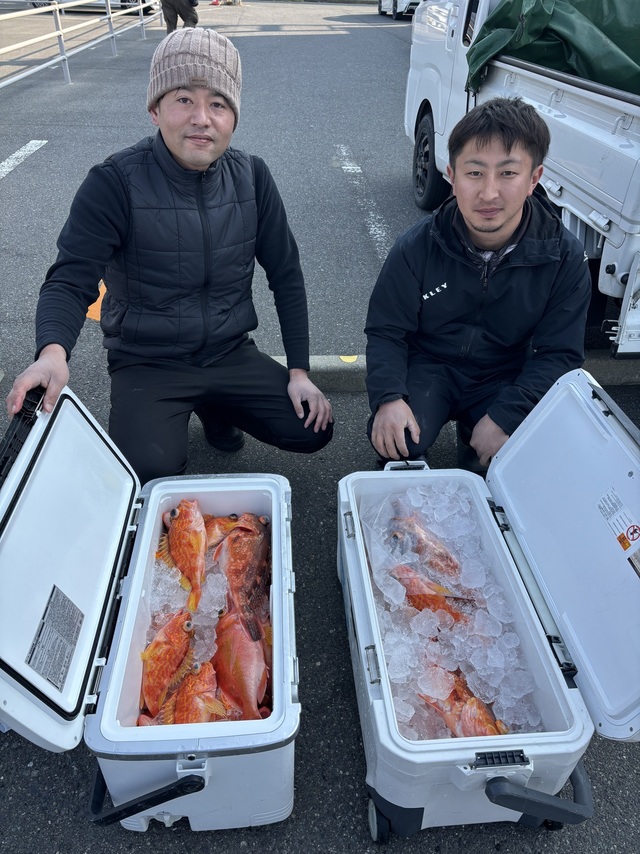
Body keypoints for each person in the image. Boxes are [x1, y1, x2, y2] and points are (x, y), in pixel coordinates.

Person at [7, 27, 333, 484]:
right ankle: (192, 408)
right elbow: (70, 279)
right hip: (148, 360)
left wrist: (299, 371)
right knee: (149, 471)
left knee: (313, 428)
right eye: (184, 99)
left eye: (218, 104)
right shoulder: (114, 182)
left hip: (228, 352)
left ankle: (217, 407)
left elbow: (286, 273)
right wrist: (52, 353)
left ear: (233, 117)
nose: (202, 118)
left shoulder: (253, 177)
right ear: (155, 109)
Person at [365, 97, 591, 471]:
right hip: (430, 366)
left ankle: (480, 443)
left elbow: (560, 354)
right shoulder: (417, 245)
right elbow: (386, 330)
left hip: (504, 373)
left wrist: (507, 416)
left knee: (512, 459)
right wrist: (388, 397)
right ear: (452, 177)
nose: (488, 193)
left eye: (508, 173)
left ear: (534, 178)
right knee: (398, 441)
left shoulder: (563, 255)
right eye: (474, 173)